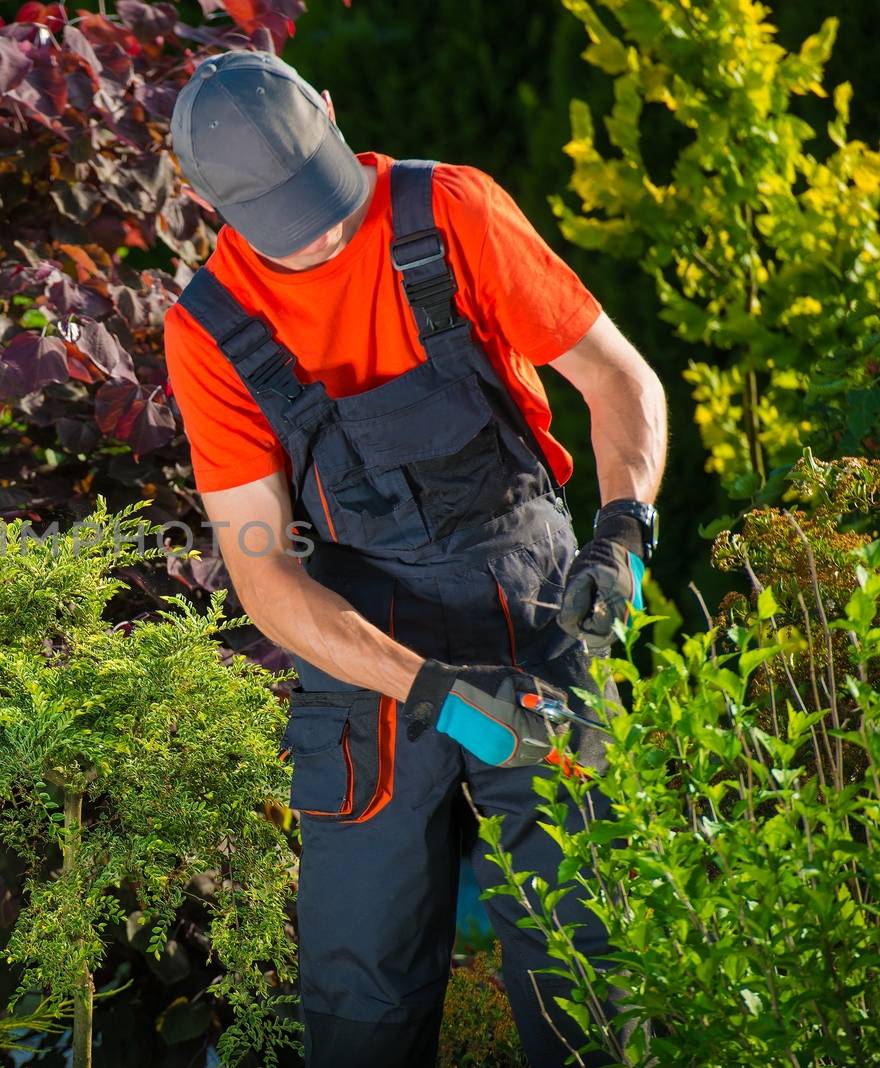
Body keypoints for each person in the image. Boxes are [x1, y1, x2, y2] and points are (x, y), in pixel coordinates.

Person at [162, 50, 667, 1067]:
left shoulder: (450, 213)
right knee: (363, 1001)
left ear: (337, 117)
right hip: (371, 672)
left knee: (590, 973)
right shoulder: (209, 333)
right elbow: (264, 576)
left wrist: (621, 532)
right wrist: (434, 693)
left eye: (325, 200)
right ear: (193, 198)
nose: (324, 238)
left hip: (536, 620)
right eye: (285, 224)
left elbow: (619, 381)